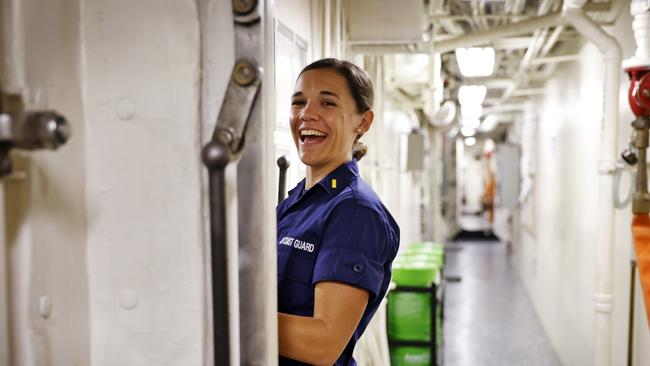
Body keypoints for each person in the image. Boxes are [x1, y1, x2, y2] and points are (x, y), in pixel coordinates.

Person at [276, 58, 400, 366]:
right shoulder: (298, 202)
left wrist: (230, 313)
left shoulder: (356, 213)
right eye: (298, 102)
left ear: (363, 122)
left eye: (327, 103)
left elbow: (323, 343)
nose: (307, 114)